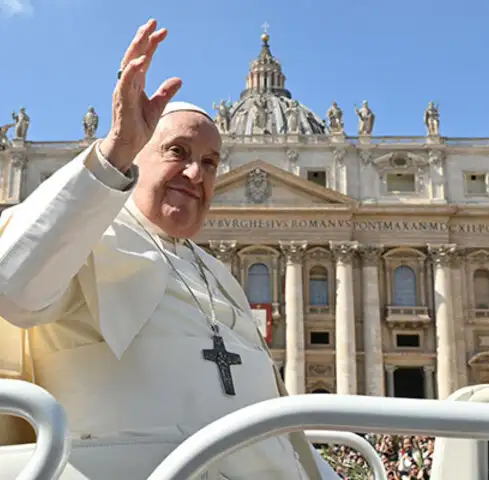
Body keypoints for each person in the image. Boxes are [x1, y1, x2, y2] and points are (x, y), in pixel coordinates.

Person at [0, 19, 339, 480]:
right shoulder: (83, 236)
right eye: (177, 152)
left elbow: (276, 424)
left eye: (210, 163)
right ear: (136, 156)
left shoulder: (217, 275)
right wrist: (114, 150)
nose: (196, 175)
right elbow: (12, 287)